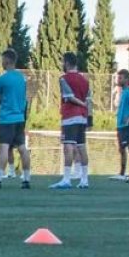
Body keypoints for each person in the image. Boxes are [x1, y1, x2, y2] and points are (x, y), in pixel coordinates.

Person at [0, 48, 31, 189]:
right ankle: (26, 180)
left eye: (3, 60)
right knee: (22, 148)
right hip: (20, 118)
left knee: (3, 148)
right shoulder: (22, 78)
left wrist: (0, 99)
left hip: (6, 119)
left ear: (7, 60)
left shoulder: (2, 79)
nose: (1, 62)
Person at [51, 52, 92, 189]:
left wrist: (81, 104)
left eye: (63, 62)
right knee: (81, 146)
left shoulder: (64, 78)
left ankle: (66, 179)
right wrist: (89, 117)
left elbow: (69, 97)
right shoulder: (85, 80)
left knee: (68, 147)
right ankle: (84, 179)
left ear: (67, 63)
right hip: (82, 117)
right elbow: (89, 100)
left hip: (70, 116)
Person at [111, 70, 129, 180]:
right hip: (120, 125)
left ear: (126, 79)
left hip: (126, 125)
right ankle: (122, 173)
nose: (118, 80)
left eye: (120, 78)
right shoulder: (122, 92)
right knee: (121, 149)